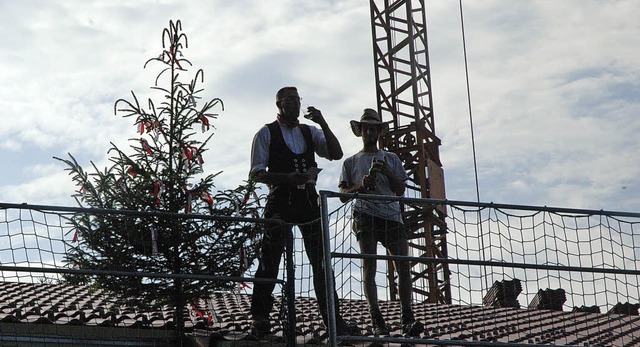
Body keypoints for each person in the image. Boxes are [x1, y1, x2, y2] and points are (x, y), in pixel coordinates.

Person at [248, 86, 359, 338]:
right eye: (289, 101)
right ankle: (260, 319)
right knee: (269, 259)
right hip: (280, 198)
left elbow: (336, 153)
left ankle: (333, 321)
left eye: (297, 100)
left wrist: (323, 121)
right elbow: (256, 174)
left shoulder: (310, 131)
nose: (295, 105)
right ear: (279, 104)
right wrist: (287, 177)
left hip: (307, 200)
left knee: (321, 263)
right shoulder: (266, 132)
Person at [338, 108, 425, 337]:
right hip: (365, 214)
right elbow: (343, 194)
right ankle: (376, 316)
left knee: (403, 265)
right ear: (361, 131)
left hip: (391, 215)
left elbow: (400, 190)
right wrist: (361, 187)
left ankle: (407, 316)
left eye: (373, 128)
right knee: (370, 266)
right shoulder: (351, 162)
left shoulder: (392, 159)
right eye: (366, 128)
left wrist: (386, 171)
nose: (369, 132)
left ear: (379, 132)